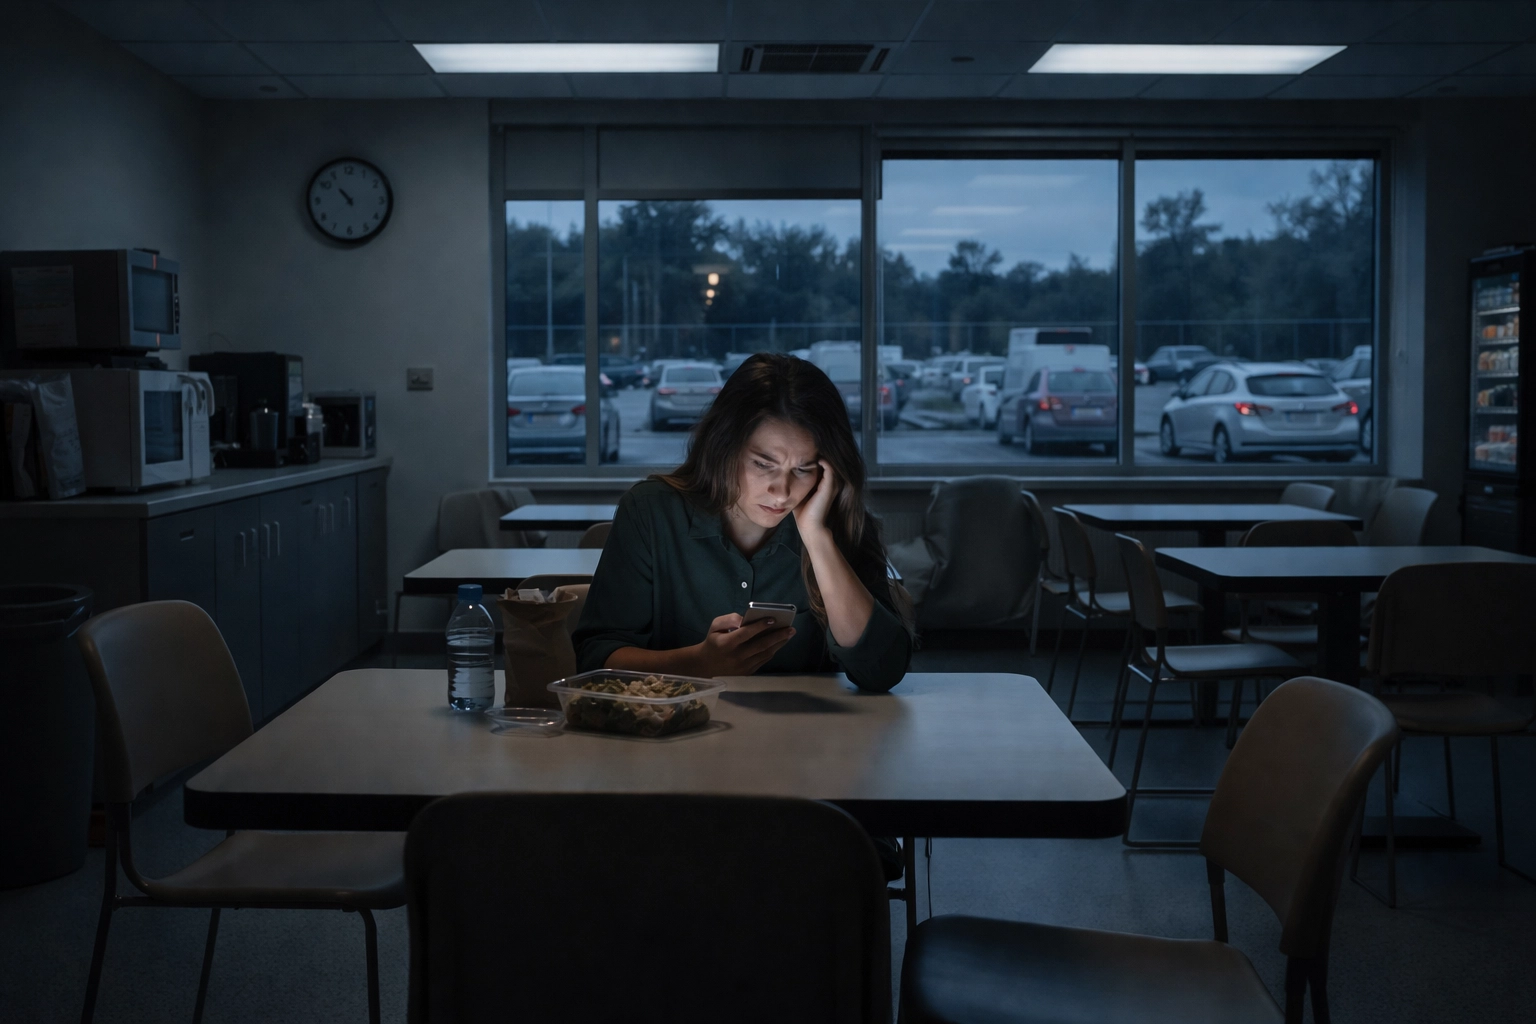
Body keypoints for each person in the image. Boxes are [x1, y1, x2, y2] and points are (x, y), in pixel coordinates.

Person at [573, 352, 912, 693]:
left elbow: (883, 671)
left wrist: (817, 537)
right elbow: (595, 660)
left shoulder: (838, 520)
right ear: (724, 448)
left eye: (803, 469)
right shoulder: (650, 512)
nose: (781, 492)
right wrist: (699, 663)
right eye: (763, 464)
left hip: (808, 740)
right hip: (672, 738)